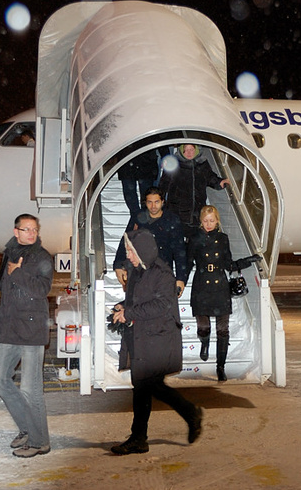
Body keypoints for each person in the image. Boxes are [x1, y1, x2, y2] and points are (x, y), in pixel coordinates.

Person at [110, 228, 203, 455]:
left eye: (131, 251)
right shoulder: (137, 270)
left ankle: (144, 435)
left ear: (142, 250)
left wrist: (129, 313)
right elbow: (139, 300)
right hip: (144, 338)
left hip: (159, 339)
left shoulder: (163, 274)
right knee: (147, 387)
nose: (129, 256)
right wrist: (124, 305)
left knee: (146, 386)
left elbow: (161, 305)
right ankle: (143, 436)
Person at [0, 214, 54, 458]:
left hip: (31, 330)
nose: (31, 233)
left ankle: (40, 441)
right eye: (26, 229)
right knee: (0, 381)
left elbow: (42, 289)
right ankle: (27, 429)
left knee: (31, 390)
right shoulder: (10, 252)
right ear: (16, 231)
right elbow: (2, 280)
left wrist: (18, 273)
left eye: (34, 229)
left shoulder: (42, 257)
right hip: (9, 328)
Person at [185, 206, 260, 381]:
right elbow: (187, 263)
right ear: (201, 221)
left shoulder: (223, 239)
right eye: (205, 221)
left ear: (217, 221)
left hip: (220, 286)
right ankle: (204, 342)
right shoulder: (195, 239)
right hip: (201, 285)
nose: (208, 224)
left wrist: (247, 261)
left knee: (223, 330)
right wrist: (178, 282)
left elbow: (229, 265)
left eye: (212, 220)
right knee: (203, 327)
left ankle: (220, 366)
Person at [113, 186, 188, 294]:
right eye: (150, 202)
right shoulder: (139, 217)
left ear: (162, 202)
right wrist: (118, 264)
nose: (153, 206)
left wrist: (181, 278)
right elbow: (126, 240)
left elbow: (179, 250)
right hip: (139, 269)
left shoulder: (172, 220)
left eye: (156, 202)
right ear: (145, 203)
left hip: (163, 270)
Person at [159, 144, 229, 239]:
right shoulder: (174, 164)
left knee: (194, 245)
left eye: (191, 149)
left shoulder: (202, 163)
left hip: (197, 212)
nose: (189, 153)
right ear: (181, 151)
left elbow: (210, 177)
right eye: (186, 150)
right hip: (177, 212)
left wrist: (221, 182)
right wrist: (160, 205)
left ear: (196, 150)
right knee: (177, 244)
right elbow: (163, 185)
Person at [118, 148, 160, 217]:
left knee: (146, 195)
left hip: (144, 161)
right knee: (131, 195)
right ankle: (137, 217)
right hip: (128, 161)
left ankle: (142, 218)